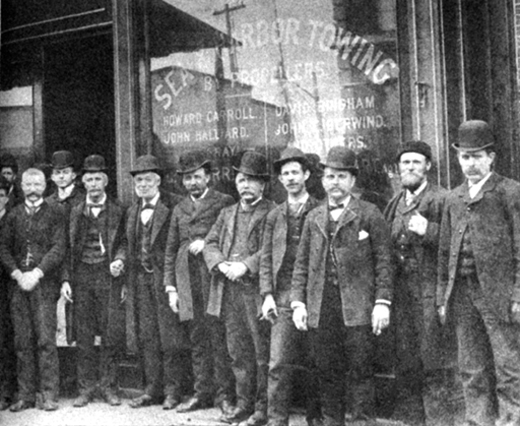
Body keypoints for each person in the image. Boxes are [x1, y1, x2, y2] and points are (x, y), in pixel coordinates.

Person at [290, 146, 393, 426]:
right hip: (322, 306)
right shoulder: (313, 217)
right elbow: (301, 264)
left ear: (352, 181)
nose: (334, 182)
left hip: (358, 305)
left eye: (341, 177)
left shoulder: (369, 214)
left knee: (360, 370)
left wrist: (382, 303)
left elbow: (385, 262)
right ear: (322, 181)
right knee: (327, 371)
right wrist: (298, 303)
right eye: (330, 176)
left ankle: (362, 422)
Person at [437, 120, 520, 426]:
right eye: (465, 157)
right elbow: (445, 254)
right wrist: (442, 298)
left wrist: (517, 294)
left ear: (491, 157)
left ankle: (512, 421)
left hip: (497, 295)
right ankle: (478, 421)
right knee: (471, 368)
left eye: (477, 156)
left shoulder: (509, 192)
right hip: (462, 294)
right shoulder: (453, 198)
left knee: (508, 366)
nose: (470, 164)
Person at [384, 141, 455, 426]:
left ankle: (440, 421)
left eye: (416, 162)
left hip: (430, 293)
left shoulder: (443, 199)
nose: (410, 167)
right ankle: (413, 420)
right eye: (405, 163)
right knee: (406, 361)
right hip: (402, 296)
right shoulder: (394, 203)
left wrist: (431, 231)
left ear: (427, 166)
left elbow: (461, 243)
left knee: (434, 361)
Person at [204, 151, 275, 425]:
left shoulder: (272, 212)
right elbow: (210, 244)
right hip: (228, 292)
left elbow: (271, 249)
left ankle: (262, 407)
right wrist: (221, 264)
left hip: (255, 291)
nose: (245, 185)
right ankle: (243, 404)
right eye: (241, 179)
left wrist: (245, 266)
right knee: (237, 352)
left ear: (263, 185)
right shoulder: (226, 213)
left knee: (261, 352)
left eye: (252, 180)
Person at [163, 150, 235, 416]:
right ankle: (201, 392)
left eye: (196, 177)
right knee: (196, 338)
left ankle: (225, 395)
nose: (192, 183)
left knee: (218, 337)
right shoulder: (179, 208)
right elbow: (171, 249)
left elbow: (230, 237)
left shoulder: (223, 202)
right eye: (187, 178)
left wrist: (205, 243)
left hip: (213, 278)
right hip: (187, 279)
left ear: (207, 177)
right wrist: (171, 287)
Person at [259, 147, 322, 426]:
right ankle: (276, 420)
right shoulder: (274, 215)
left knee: (315, 362)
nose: (290, 178)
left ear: (306, 175)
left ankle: (316, 419)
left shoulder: (320, 210)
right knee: (278, 363)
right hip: (283, 295)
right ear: (281, 180)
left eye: (295, 172)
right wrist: (267, 295)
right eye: (285, 174)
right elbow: (265, 258)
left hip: (316, 294)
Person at [60, 155, 127, 407]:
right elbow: (66, 247)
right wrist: (66, 280)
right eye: (89, 179)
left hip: (107, 275)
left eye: (99, 178)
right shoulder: (74, 210)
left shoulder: (118, 209)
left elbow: (123, 242)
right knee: (84, 334)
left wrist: (120, 260)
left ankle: (109, 387)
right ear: (83, 182)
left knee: (109, 332)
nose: (94, 183)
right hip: (81, 277)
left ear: (106, 181)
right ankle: (86, 388)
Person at [0, 168, 66, 412]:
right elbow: (3, 248)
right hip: (18, 286)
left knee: (46, 340)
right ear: (21, 186)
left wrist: (37, 273)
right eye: (28, 184)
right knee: (22, 342)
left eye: (38, 184)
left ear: (45, 186)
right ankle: (26, 396)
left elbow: (59, 248)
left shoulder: (57, 213)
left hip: (43, 284)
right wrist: (18, 274)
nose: (33, 189)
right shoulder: (13, 215)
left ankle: (49, 395)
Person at [124, 154, 183, 409]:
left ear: (158, 181)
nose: (143, 185)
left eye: (147, 179)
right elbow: (127, 245)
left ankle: (173, 391)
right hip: (140, 281)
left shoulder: (174, 207)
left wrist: (172, 283)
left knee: (169, 338)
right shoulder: (132, 211)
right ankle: (152, 389)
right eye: (138, 180)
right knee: (147, 337)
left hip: (164, 280)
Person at [0, 175, 17, 410]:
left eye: (1, 195)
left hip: (6, 285)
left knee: (5, 337)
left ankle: (6, 390)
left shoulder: (12, 220)